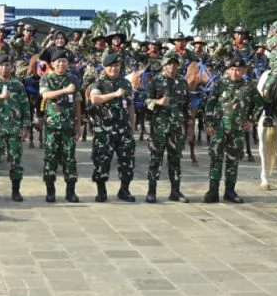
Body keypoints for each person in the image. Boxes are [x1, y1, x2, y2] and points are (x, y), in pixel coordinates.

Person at [203, 57, 258, 204]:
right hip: (219, 128)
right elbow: (210, 104)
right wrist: (208, 123)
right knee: (216, 159)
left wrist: (252, 120)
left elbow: (259, 104)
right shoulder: (219, 84)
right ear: (228, 70)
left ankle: (230, 191)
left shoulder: (249, 86)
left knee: (233, 161)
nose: (235, 72)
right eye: (233, 69)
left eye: (239, 69)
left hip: (238, 129)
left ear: (244, 71)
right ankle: (213, 191)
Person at [87, 52, 136, 202]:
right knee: (102, 161)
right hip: (104, 131)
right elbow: (95, 99)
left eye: (116, 66)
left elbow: (130, 106)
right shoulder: (98, 83)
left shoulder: (125, 84)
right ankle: (101, 191)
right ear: (104, 67)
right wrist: (114, 94)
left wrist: (132, 127)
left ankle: (124, 190)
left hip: (123, 129)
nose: (114, 69)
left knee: (127, 161)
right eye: (110, 66)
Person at [0, 53, 31, 202]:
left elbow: (25, 107)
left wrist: (26, 127)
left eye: (7, 65)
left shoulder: (18, 85)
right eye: (2, 65)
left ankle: (16, 191)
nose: (5, 68)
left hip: (14, 129)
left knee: (16, 160)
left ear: (12, 67)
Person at [145, 50, 190, 203]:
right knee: (155, 159)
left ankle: (175, 192)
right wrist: (157, 102)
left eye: (175, 64)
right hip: (159, 127)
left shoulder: (183, 82)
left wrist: (189, 127)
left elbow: (187, 107)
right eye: (169, 64)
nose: (172, 67)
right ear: (164, 65)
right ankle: (151, 192)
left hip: (176, 128)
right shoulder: (155, 81)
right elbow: (145, 103)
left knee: (175, 160)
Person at [39, 48, 81, 203]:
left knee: (70, 158)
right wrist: (64, 90)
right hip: (52, 126)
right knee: (50, 158)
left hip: (69, 126)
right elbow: (45, 95)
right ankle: (50, 191)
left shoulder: (73, 79)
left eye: (64, 61)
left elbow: (77, 102)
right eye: (58, 62)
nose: (61, 64)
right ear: (52, 64)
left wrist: (78, 124)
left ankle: (71, 191)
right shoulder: (46, 79)